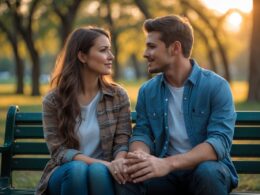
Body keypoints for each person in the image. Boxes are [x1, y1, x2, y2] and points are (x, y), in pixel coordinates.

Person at [118, 15, 238, 195]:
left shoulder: (216, 86)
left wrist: (167, 164)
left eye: (151, 46)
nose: (145, 53)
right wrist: (140, 157)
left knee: (208, 173)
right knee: (133, 177)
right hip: (166, 174)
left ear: (175, 48)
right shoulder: (148, 91)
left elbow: (218, 143)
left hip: (207, 169)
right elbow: (142, 133)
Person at [35, 26, 132, 195]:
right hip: (66, 174)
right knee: (78, 170)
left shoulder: (118, 96)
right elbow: (59, 152)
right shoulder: (53, 100)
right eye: (104, 50)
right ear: (82, 56)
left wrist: (116, 163)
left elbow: (122, 141)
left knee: (96, 172)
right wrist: (102, 163)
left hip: (103, 173)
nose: (111, 56)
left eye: (110, 50)